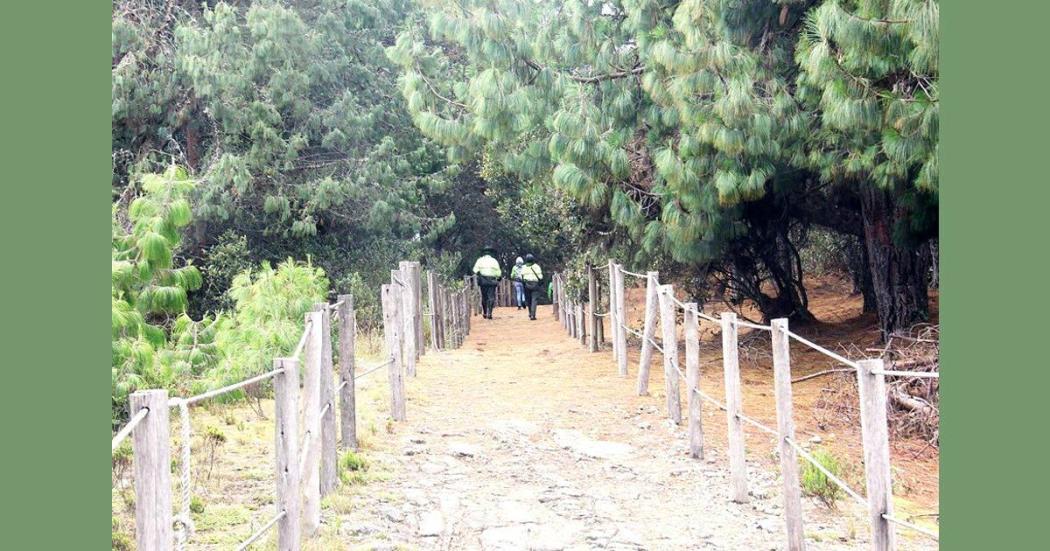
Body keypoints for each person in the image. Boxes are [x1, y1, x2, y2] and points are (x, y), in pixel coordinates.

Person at [472, 245, 501, 319]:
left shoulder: (480, 260)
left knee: (484, 297)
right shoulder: (494, 261)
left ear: (483, 253)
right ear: (491, 253)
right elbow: (498, 272)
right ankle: (490, 313)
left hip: (483, 280)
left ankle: (485, 312)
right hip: (492, 280)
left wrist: (480, 274)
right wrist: (498, 278)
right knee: (491, 297)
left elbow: (475, 270)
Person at [520, 253, 543, 320]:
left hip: (527, 284)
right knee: (534, 300)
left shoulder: (523, 267)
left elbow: (522, 277)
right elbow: (540, 277)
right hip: (535, 284)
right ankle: (533, 315)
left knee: (529, 300)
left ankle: (530, 313)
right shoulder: (537, 266)